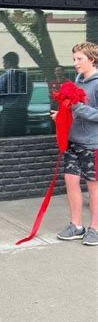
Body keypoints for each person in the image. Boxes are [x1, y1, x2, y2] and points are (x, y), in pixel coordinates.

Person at [55, 42, 98, 246]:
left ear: (92, 59)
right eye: (74, 59)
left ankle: (95, 229)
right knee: (71, 182)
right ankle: (76, 226)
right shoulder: (78, 81)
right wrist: (62, 115)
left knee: (94, 187)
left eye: (79, 59)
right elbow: (73, 109)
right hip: (73, 142)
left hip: (93, 144)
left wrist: (77, 108)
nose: (75, 63)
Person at [0, 51, 30, 137]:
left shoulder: (5, 76)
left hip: (9, 114)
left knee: (6, 140)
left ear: (8, 62)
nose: (3, 65)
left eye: (4, 62)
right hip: (22, 114)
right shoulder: (27, 77)